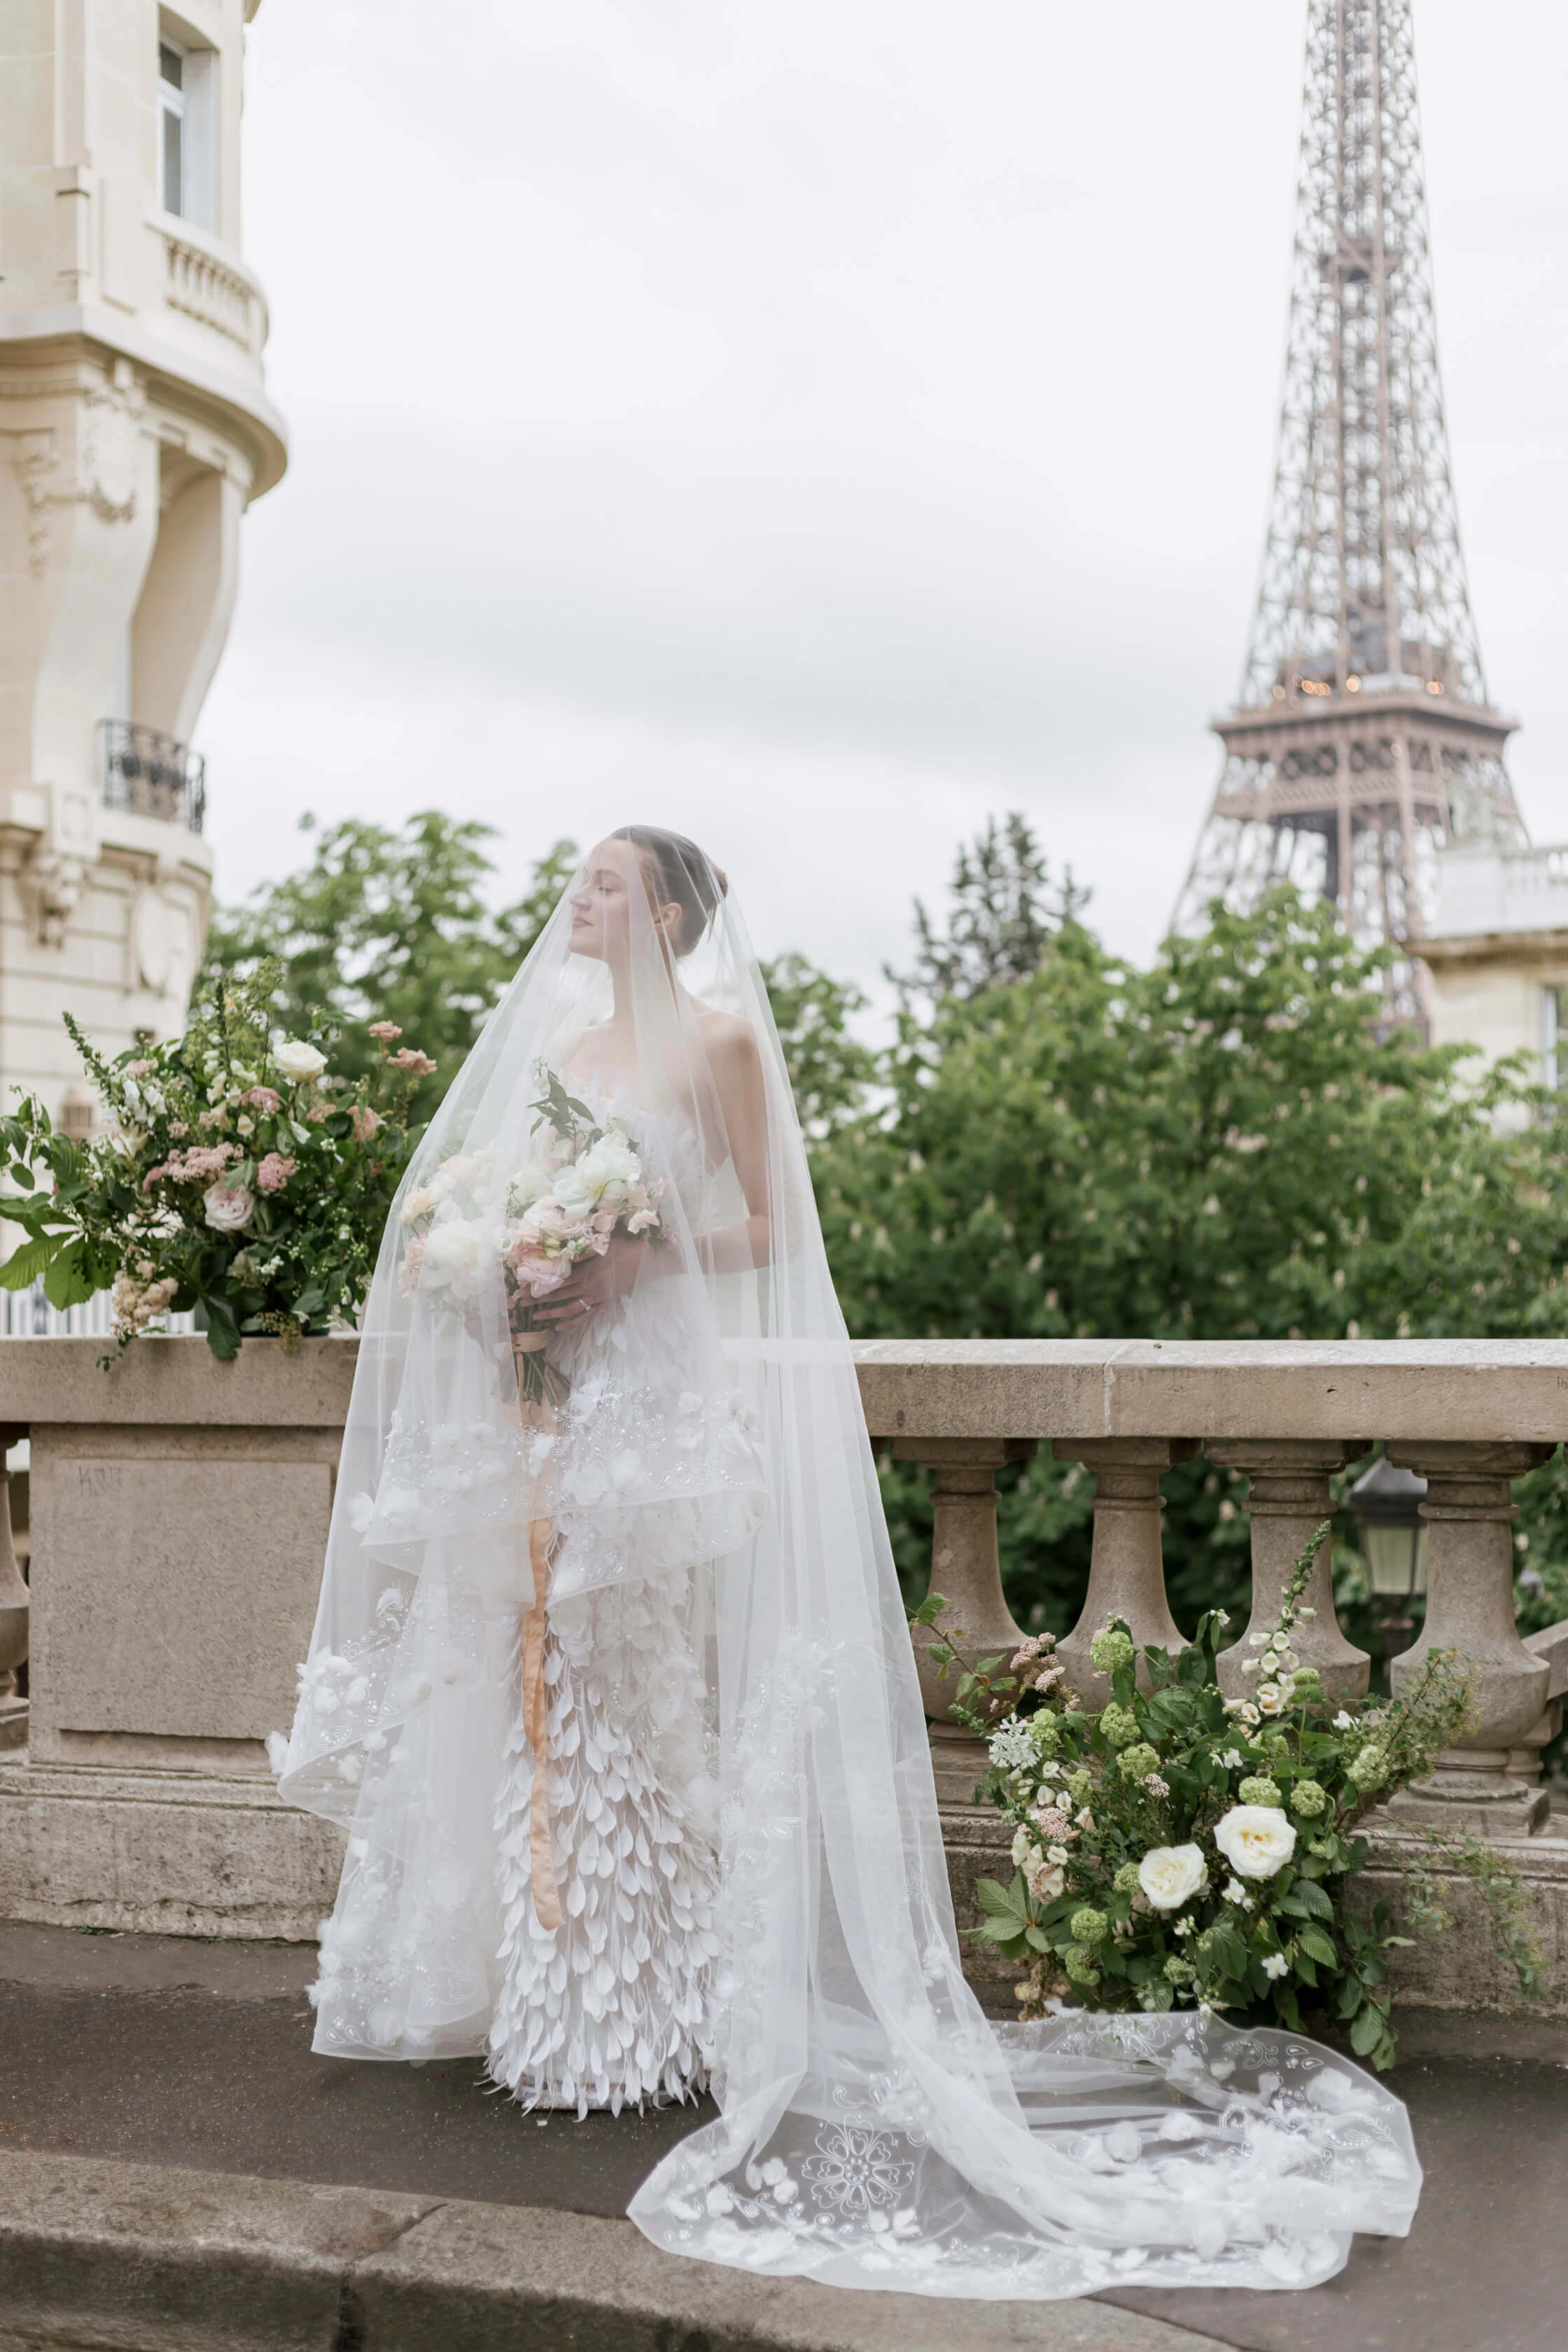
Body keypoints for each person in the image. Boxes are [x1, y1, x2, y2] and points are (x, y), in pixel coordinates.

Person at [273, 828, 1421, 2299]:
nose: (581, 896)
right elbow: (501, 1199)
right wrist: (503, 1264)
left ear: (672, 910)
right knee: (532, 1685)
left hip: (649, 1416)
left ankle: (647, 2016)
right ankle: (554, 2000)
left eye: (610, 881)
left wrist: (636, 1249)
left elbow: (763, 1220)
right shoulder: (564, 1038)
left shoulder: (725, 1041)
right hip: (547, 1399)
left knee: (631, 1688)